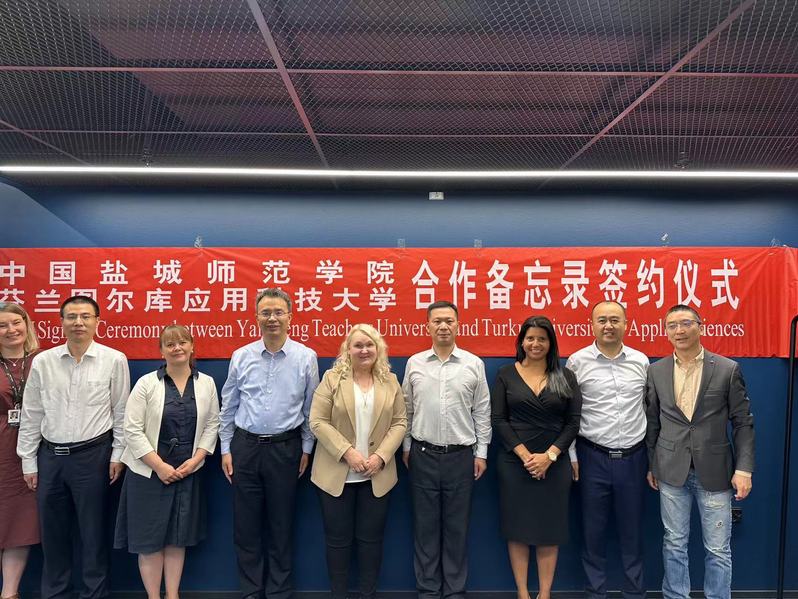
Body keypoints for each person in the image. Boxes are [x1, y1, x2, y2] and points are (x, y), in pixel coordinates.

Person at [17, 295, 130, 599]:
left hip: (94, 456)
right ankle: (56, 594)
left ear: (97, 322)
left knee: (93, 534)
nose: (78, 322)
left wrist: (118, 454)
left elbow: (121, 411)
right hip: (50, 457)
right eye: (71, 317)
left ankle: (95, 594)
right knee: (53, 535)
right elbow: (32, 412)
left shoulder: (114, 359)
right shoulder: (43, 361)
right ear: (62, 322)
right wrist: (28, 460)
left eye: (85, 316)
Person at [646, 304, 755, 599]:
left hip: (716, 471)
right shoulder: (656, 371)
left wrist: (744, 469)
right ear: (665, 331)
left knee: (718, 549)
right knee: (674, 543)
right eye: (672, 325)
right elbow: (652, 422)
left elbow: (743, 422)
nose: (679, 330)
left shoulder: (727, 369)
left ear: (701, 326)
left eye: (686, 323)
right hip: (670, 471)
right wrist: (652, 464)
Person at [219, 288, 319, 599]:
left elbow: (311, 408)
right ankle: (252, 591)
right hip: (245, 448)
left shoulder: (306, 357)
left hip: (286, 449)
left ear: (290, 317)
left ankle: (279, 592)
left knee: (281, 526)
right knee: (246, 527)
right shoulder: (241, 356)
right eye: (266, 313)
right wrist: (226, 448)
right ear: (256, 317)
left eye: (278, 312)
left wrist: (306, 449)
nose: (272, 318)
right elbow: (229, 405)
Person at [114, 324, 220, 599]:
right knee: (149, 541)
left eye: (182, 342)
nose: (177, 348)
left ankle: (172, 595)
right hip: (148, 474)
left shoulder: (206, 383)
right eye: (170, 344)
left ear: (192, 346)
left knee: (177, 538)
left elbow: (212, 424)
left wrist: (197, 459)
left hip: (187, 472)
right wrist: (159, 466)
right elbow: (131, 429)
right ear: (161, 351)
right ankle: (153, 596)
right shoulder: (146, 383)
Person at [310, 324, 407, 599]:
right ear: (348, 350)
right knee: (337, 543)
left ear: (378, 349)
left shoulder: (390, 380)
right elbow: (317, 421)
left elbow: (400, 422)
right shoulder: (332, 379)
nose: (364, 350)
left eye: (369, 345)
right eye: (358, 345)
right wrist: (347, 452)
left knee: (371, 543)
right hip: (335, 475)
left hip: (377, 475)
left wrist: (381, 457)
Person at [402, 300, 491, 599]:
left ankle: (454, 592)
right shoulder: (415, 363)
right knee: (425, 528)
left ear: (458, 325)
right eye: (437, 321)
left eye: (449, 321)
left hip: (461, 457)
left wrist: (481, 453)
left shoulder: (473, 364)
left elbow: (482, 411)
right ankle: (428, 591)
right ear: (427, 326)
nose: (443, 326)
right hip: (422, 455)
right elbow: (406, 409)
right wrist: (406, 447)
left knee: (456, 529)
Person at [491, 315, 582, 599]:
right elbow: (499, 419)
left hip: (555, 464)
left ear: (550, 343)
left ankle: (545, 593)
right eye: (530, 338)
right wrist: (525, 455)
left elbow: (573, 423)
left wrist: (549, 457)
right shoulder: (506, 374)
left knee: (549, 530)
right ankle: (522, 592)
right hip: (514, 463)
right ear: (521, 342)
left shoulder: (566, 376)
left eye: (542, 338)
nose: (535, 343)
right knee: (517, 529)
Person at [566, 301, 649, 599]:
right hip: (592, 457)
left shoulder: (641, 361)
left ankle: (635, 593)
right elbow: (569, 414)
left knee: (632, 533)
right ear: (592, 324)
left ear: (626, 324)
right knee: (592, 533)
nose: (608, 326)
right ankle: (595, 593)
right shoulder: (577, 362)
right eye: (602, 320)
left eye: (615, 320)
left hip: (634, 458)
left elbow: (650, 410)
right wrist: (572, 455)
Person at [0, 303, 40, 599]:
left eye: (17, 322)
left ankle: (10, 592)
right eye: (2, 325)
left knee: (20, 519)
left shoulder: (42, 360)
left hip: (32, 447)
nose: (11, 330)